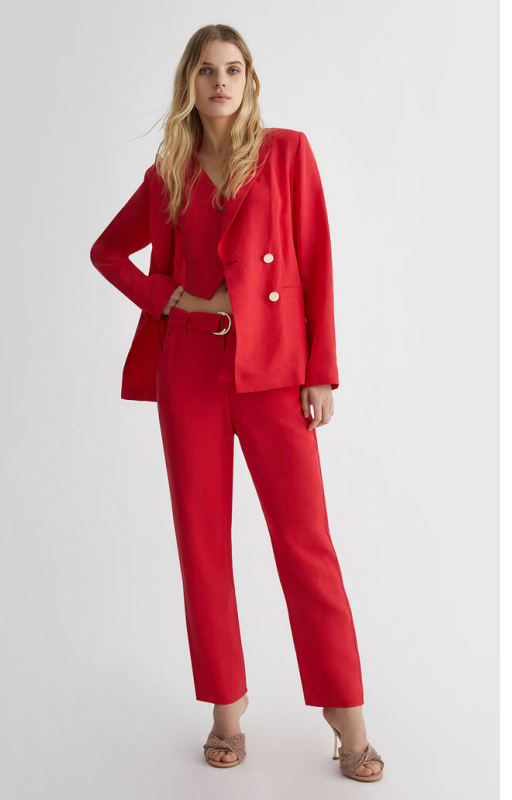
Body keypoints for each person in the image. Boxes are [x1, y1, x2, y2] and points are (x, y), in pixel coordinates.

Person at [89, 24, 384, 782]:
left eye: (233, 69)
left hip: (276, 374)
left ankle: (347, 718)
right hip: (190, 370)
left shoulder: (287, 154)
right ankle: (226, 709)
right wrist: (171, 297)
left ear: (249, 79)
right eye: (206, 70)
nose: (220, 82)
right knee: (202, 544)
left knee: (305, 542)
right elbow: (107, 252)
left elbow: (316, 263)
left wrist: (321, 372)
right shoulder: (170, 171)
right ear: (188, 83)